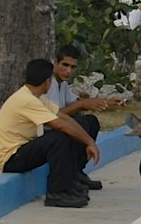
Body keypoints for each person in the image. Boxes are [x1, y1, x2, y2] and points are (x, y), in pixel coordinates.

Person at [0, 58, 101, 207]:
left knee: (82, 124)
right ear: (47, 81)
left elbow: (64, 117)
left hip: (24, 149)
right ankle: (57, 193)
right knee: (58, 138)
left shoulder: (35, 97)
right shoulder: (26, 100)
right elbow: (59, 125)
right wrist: (90, 143)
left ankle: (72, 180)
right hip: (11, 158)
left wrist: (88, 141)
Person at [48, 45, 115, 190]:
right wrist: (83, 104)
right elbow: (54, 115)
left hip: (58, 125)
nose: (68, 71)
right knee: (80, 125)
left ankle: (78, 171)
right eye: (64, 65)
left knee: (91, 121)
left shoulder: (63, 84)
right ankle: (70, 175)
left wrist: (105, 102)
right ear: (55, 62)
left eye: (73, 67)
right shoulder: (49, 83)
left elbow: (75, 103)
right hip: (46, 129)